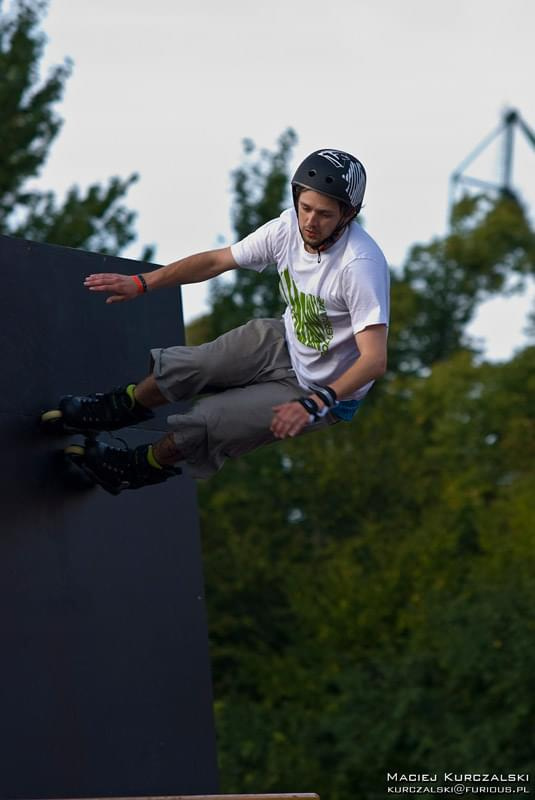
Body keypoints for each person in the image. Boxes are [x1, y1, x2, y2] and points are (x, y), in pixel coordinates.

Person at [59, 149, 390, 491]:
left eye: (324, 215)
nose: (310, 222)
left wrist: (317, 402)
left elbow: (374, 360)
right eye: (305, 208)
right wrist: (143, 283)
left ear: (348, 215)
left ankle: (136, 465)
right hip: (286, 341)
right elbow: (217, 261)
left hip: (323, 389)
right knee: (195, 364)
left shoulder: (360, 265)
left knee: (208, 422)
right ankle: (117, 408)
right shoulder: (286, 229)